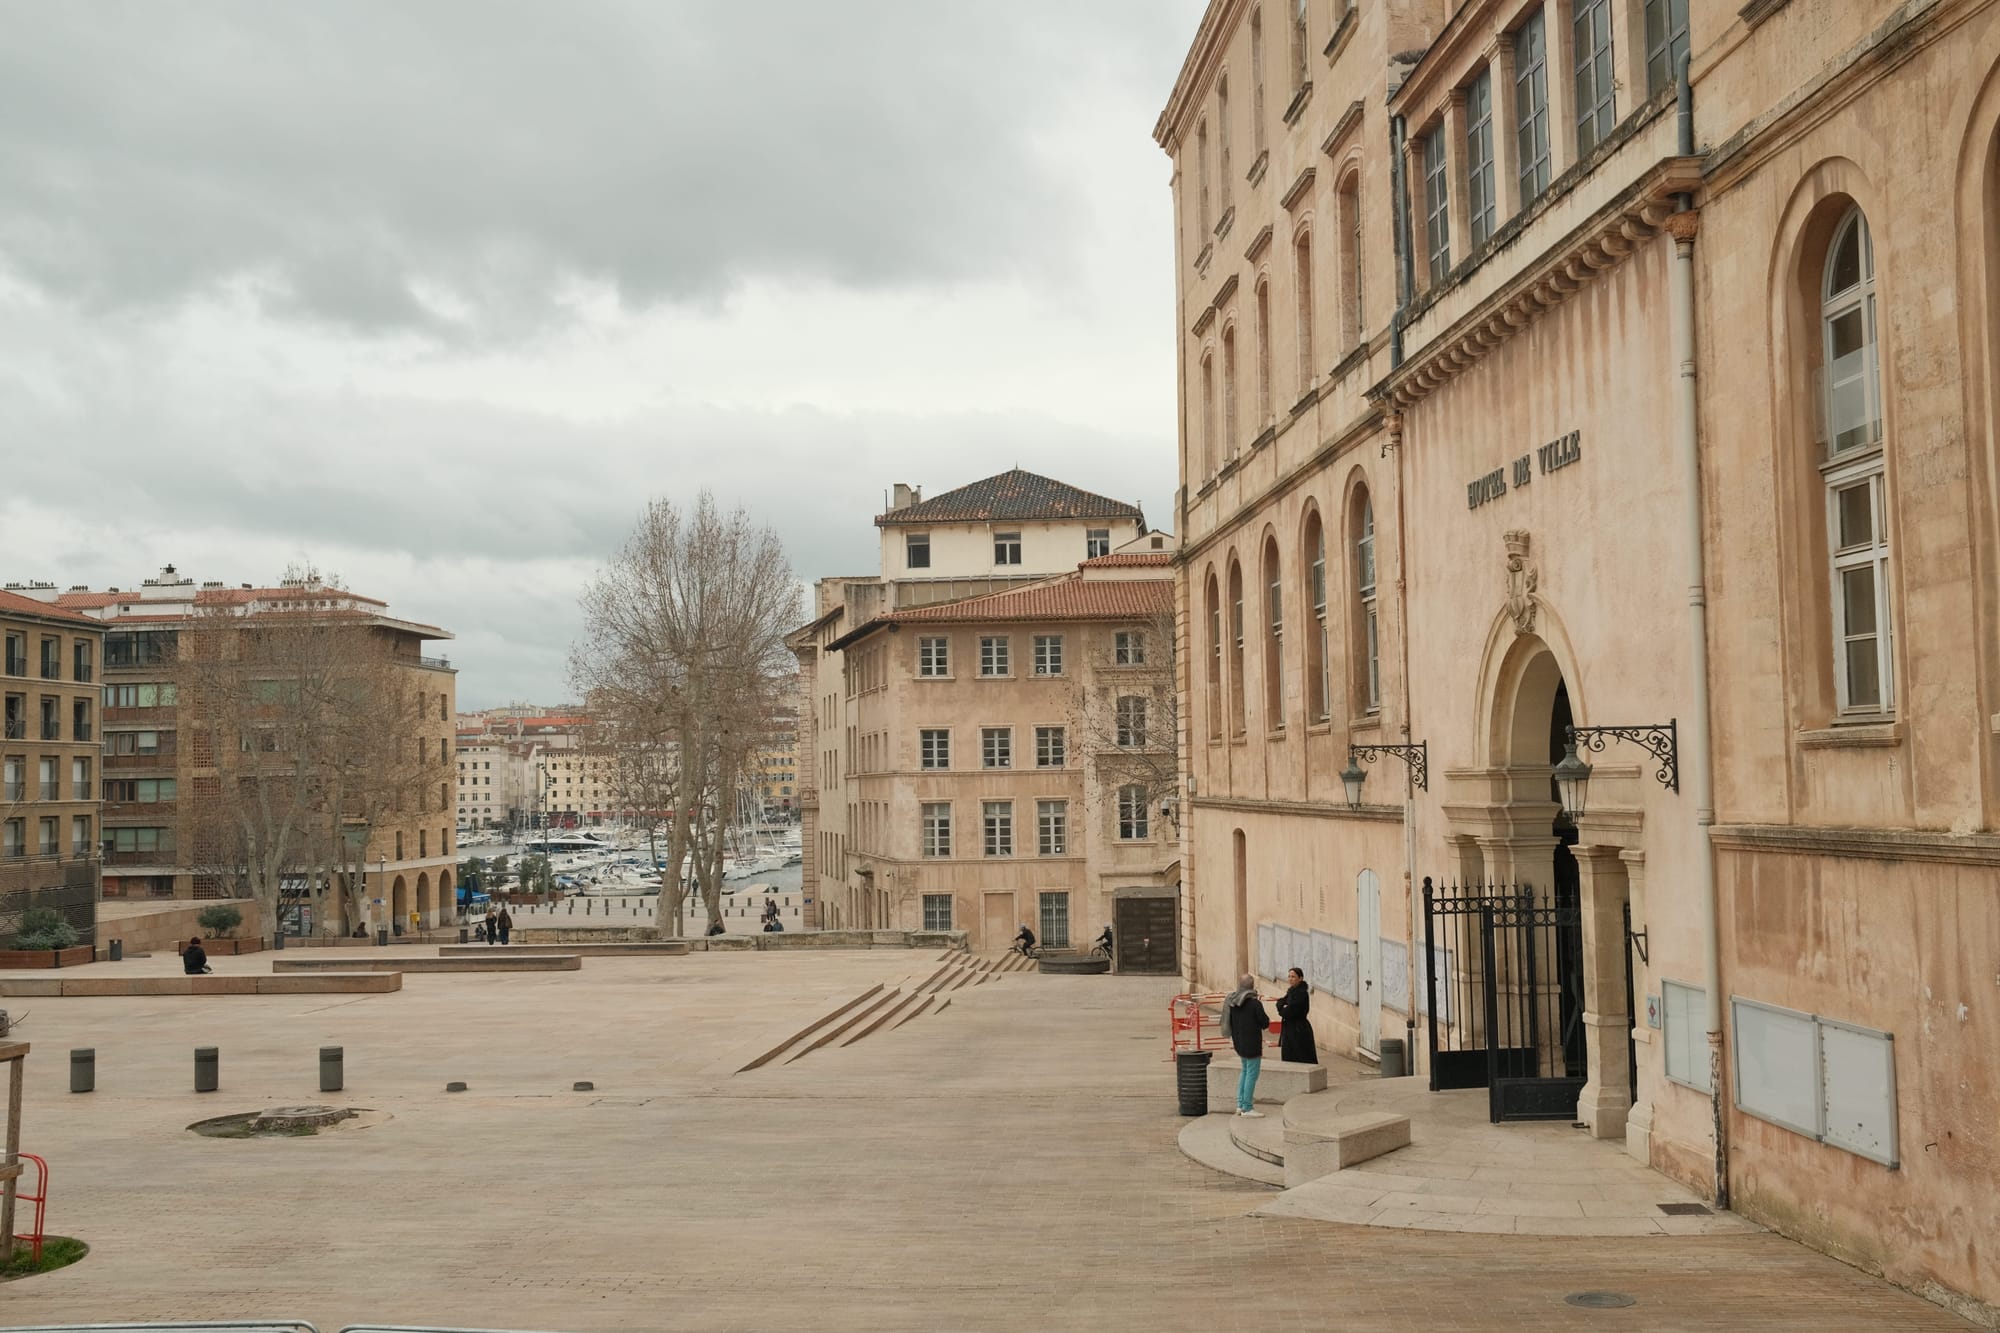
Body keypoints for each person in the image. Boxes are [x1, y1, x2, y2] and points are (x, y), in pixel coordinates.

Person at [1225, 974, 1270, 1118]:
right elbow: (1265, 1023)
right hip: (1252, 1045)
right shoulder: (1254, 1004)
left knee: (1244, 1072)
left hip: (1239, 1043)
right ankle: (1247, 1108)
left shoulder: (1233, 1001)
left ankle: (1240, 1105)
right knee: (1252, 1074)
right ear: (1252, 986)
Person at [1277, 967, 1317, 1064]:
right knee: (1289, 1057)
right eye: (1289, 976)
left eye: (1293, 977)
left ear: (1300, 978)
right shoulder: (1292, 991)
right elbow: (1281, 1002)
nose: (1290, 979)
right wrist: (1282, 1006)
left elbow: (1289, 1011)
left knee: (1300, 1056)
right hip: (1290, 1028)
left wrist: (1283, 1008)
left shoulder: (1301, 993)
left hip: (1299, 1030)